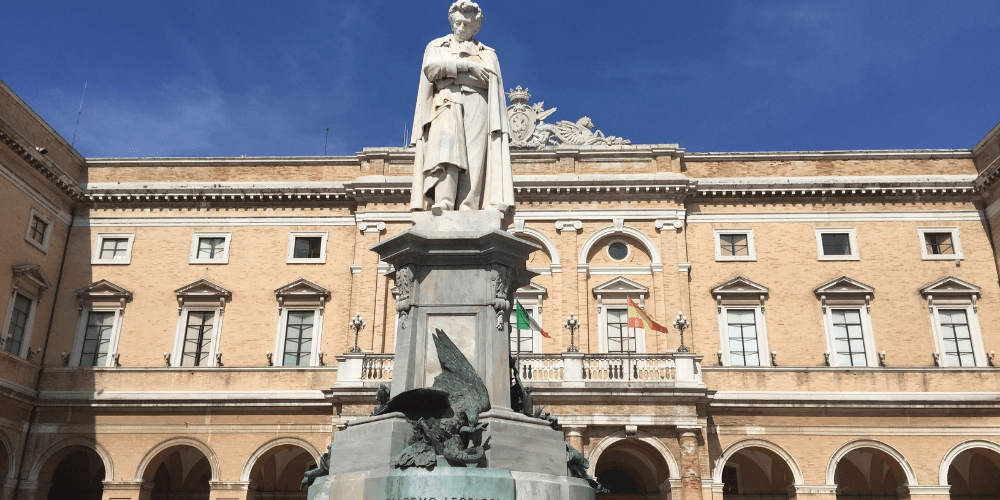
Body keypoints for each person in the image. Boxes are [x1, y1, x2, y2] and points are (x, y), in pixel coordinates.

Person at [409, 1, 514, 213]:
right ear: (451, 23)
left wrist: (451, 72)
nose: (460, 28)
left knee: (475, 156)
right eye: (457, 23)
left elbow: (490, 80)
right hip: (446, 102)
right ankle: (445, 201)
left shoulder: (487, 53)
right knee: (445, 150)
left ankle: (469, 206)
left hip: (478, 103)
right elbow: (431, 69)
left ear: (475, 27)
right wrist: (467, 67)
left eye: (466, 24)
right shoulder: (437, 46)